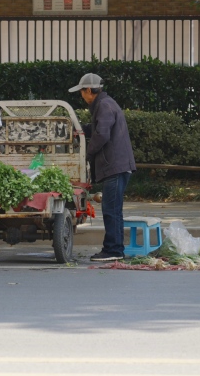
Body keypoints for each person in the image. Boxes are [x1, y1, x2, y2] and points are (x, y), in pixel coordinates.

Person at [69, 73, 136, 261]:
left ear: (89, 90)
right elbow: (98, 129)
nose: (81, 96)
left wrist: (86, 155)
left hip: (115, 166)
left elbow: (102, 135)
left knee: (111, 210)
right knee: (114, 209)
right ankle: (115, 248)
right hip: (117, 165)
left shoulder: (104, 106)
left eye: (82, 92)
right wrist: (81, 129)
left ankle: (113, 251)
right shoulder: (105, 104)